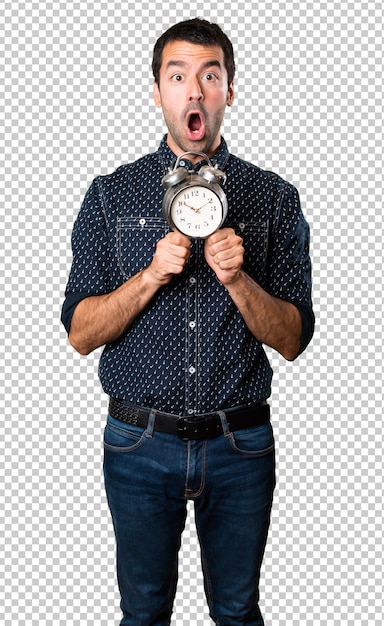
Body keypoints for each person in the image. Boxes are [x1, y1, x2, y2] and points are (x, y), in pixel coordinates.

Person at [61, 18, 314, 626]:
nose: (194, 91)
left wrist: (238, 279)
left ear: (229, 89)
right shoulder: (110, 194)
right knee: (143, 613)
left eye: (210, 75)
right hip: (138, 445)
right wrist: (149, 276)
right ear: (157, 92)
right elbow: (79, 332)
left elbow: (293, 339)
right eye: (178, 76)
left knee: (236, 610)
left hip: (241, 445)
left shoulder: (274, 196)